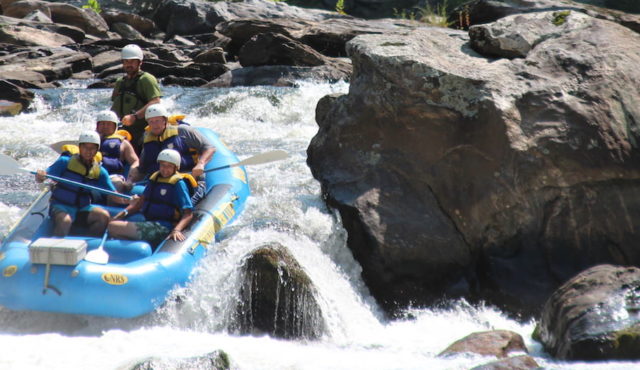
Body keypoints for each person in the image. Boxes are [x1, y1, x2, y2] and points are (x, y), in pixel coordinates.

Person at [130, 103, 215, 204]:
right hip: (159, 181)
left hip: (188, 179)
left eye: (157, 121)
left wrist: (201, 164)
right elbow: (143, 167)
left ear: (165, 120)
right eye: (151, 122)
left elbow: (209, 148)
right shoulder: (147, 138)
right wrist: (130, 181)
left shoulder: (183, 131)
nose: (154, 125)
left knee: (182, 202)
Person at [35, 131, 117, 237]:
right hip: (60, 206)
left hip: (82, 208)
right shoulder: (64, 162)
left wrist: (130, 200)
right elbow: (42, 178)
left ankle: (88, 242)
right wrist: (40, 175)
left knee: (103, 216)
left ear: (97, 149)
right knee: (65, 221)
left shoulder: (100, 172)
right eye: (85, 147)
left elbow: (114, 194)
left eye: (92, 148)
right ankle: (55, 246)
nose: (88, 151)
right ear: (80, 147)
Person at [109, 149, 195, 247]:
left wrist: (176, 230)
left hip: (164, 226)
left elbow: (188, 214)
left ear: (176, 167)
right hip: (149, 220)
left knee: (113, 227)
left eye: (169, 166)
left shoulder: (178, 184)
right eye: (163, 165)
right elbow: (139, 204)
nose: (165, 169)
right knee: (113, 223)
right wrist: (118, 216)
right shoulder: (155, 179)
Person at [110, 44, 162, 153]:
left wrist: (134, 116)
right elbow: (115, 105)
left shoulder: (147, 79)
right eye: (126, 61)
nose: (129, 64)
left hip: (143, 130)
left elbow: (156, 101)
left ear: (140, 62)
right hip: (124, 130)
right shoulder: (120, 82)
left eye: (133, 61)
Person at [95, 110, 140, 195]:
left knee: (116, 185)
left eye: (108, 124)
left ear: (115, 126)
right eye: (102, 123)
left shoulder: (123, 143)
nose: (105, 126)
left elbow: (135, 161)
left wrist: (130, 179)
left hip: (113, 176)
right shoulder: (90, 139)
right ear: (97, 125)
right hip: (92, 175)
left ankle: (111, 206)